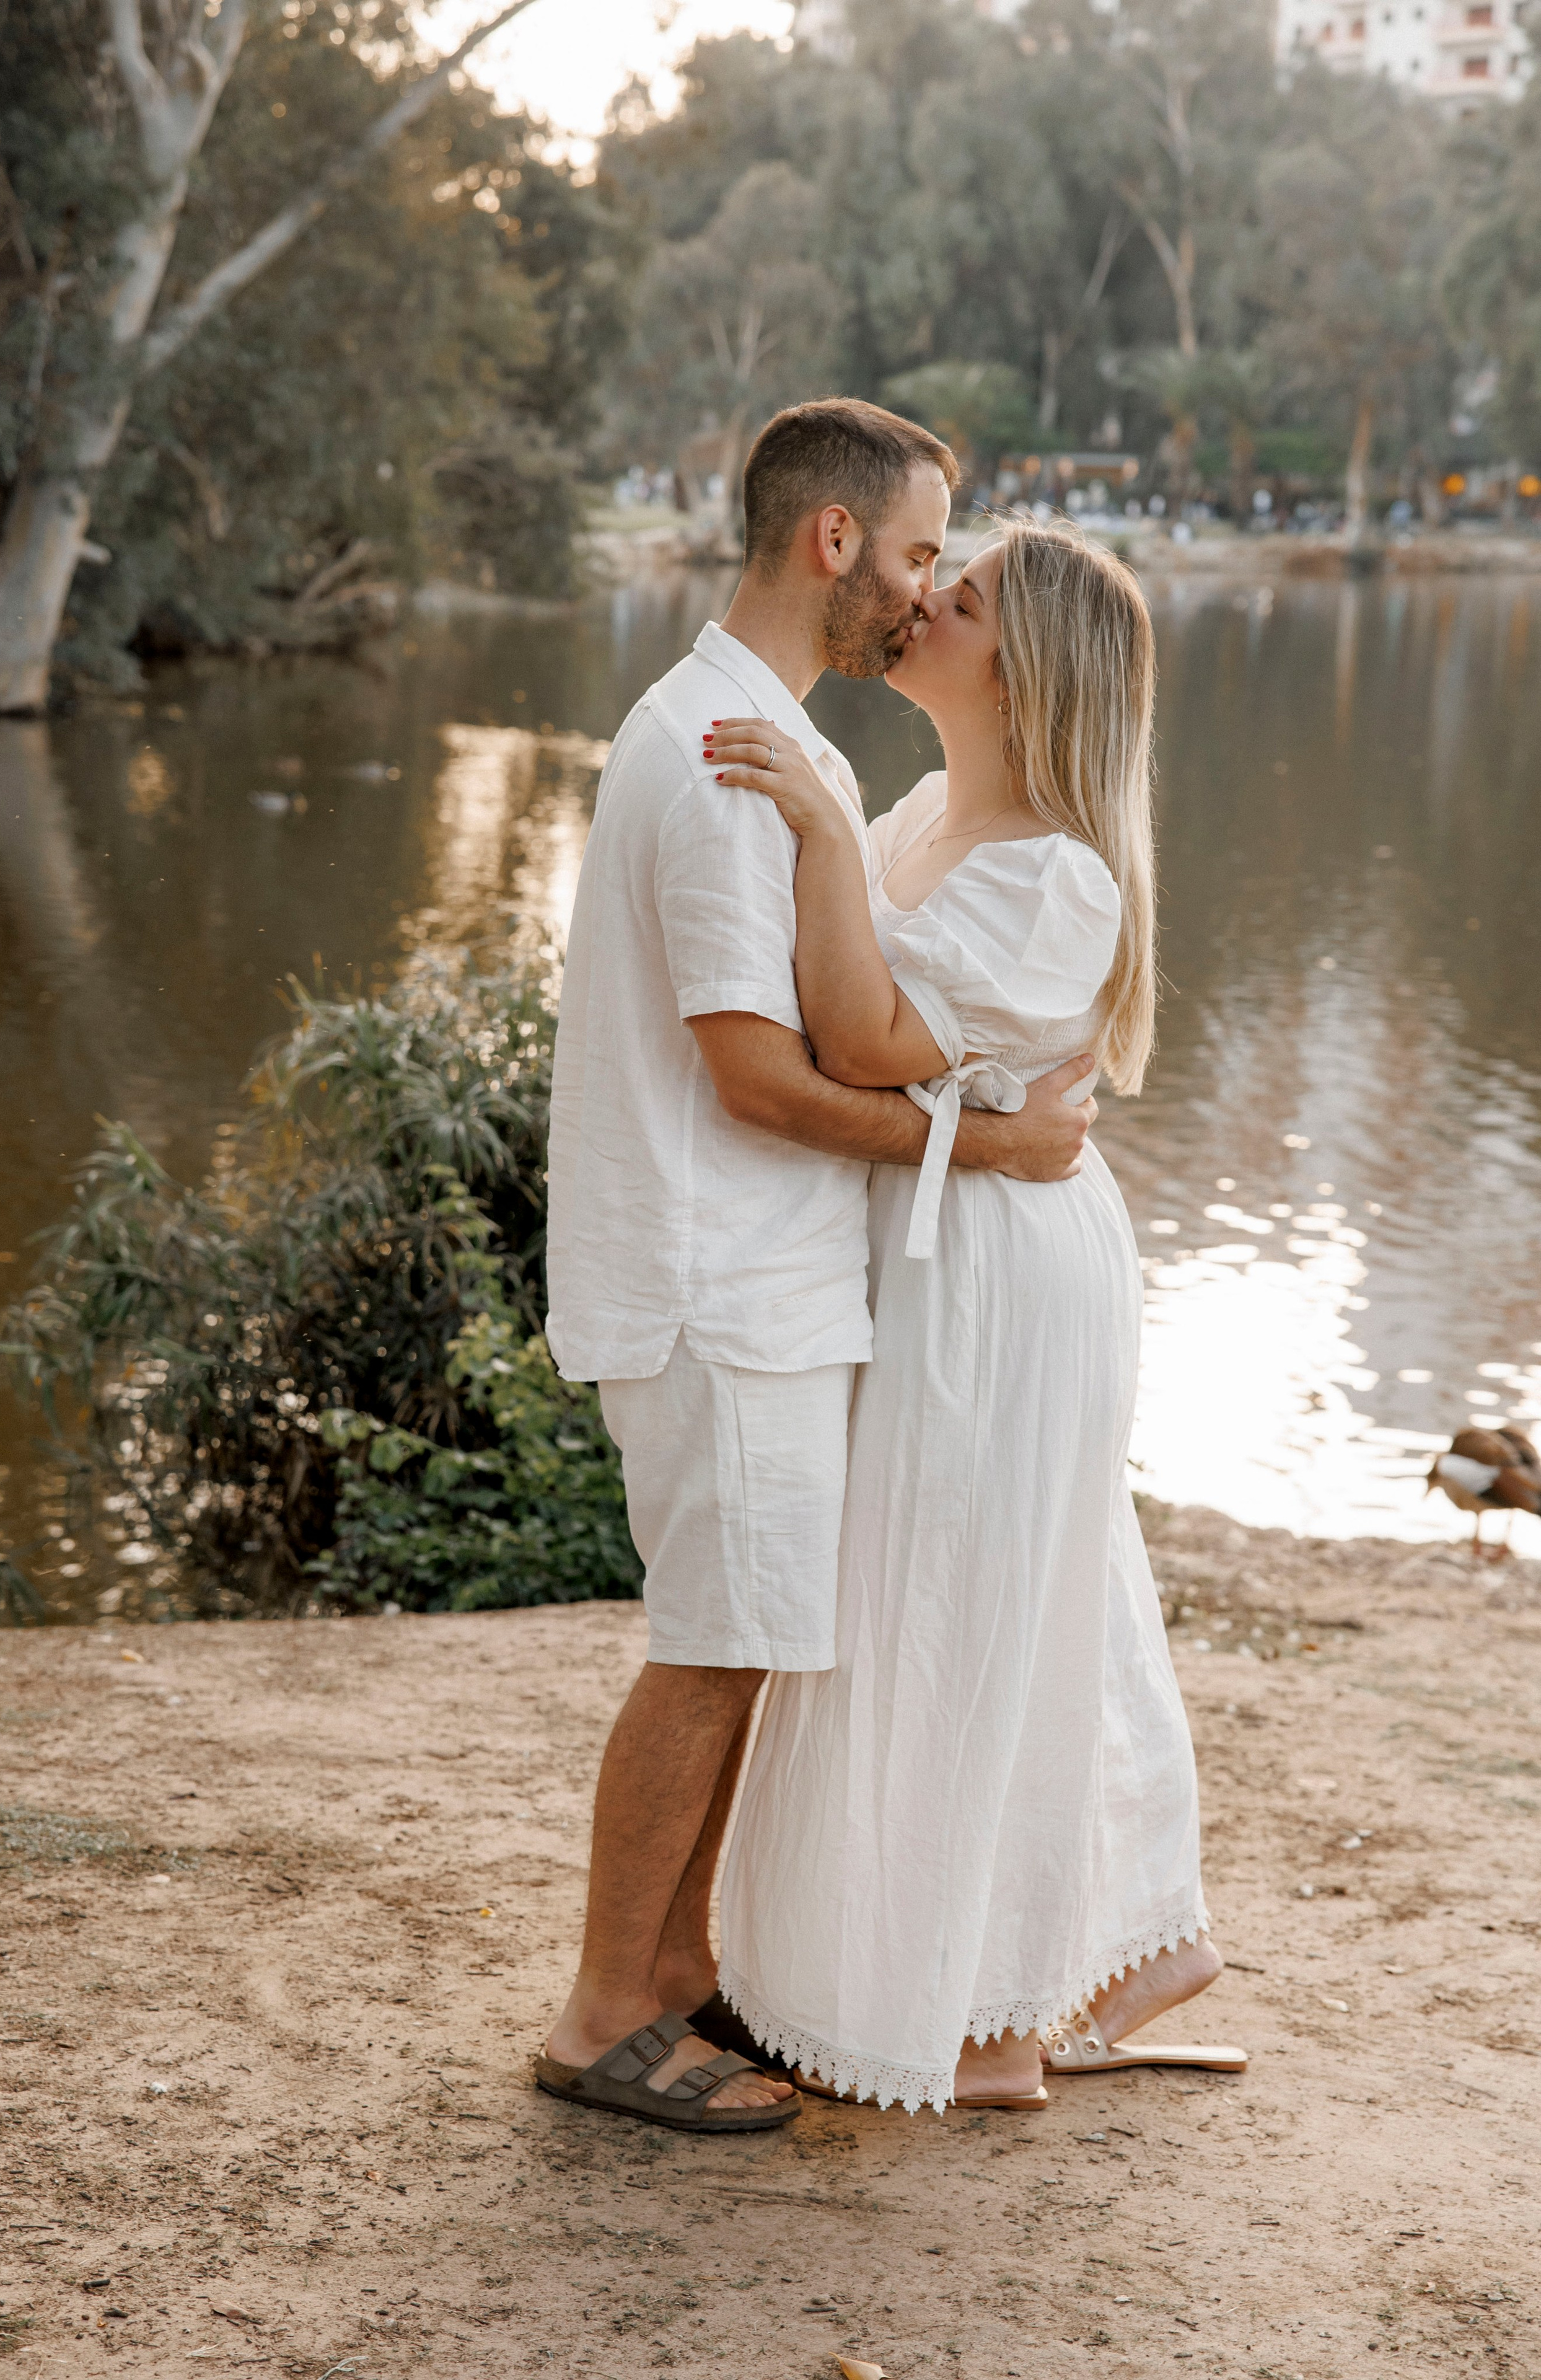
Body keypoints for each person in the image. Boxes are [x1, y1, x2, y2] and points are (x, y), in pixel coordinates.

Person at [534, 402, 1100, 2132]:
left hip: (766, 1283)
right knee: (712, 1645)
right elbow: (756, 1073)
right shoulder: (722, 751)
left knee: (756, 1632)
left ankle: (683, 1972)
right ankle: (604, 2015)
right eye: (924, 551)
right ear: (835, 543)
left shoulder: (764, 736)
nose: (925, 590)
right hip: (719, 1283)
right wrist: (987, 1144)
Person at [708, 516, 1247, 2113]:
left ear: (1023, 673)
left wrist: (814, 824)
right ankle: (1011, 1987)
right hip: (949, 1237)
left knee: (963, 1600)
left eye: (958, 594)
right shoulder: (937, 806)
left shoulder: (1060, 879)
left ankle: (990, 2008)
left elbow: (864, 1034)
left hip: (1003, 1273)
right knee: (963, 1595)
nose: (919, 601)